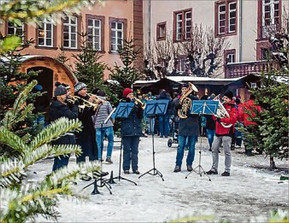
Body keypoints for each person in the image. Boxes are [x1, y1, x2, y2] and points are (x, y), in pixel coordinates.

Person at [206, 90, 237, 176]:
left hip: (227, 132)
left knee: (227, 151)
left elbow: (233, 119)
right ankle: (214, 168)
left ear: (230, 99)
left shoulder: (233, 107)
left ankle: (227, 169)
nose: (224, 99)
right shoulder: (221, 105)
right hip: (218, 131)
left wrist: (222, 119)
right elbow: (214, 116)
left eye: (226, 98)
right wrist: (215, 115)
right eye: (224, 97)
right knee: (214, 149)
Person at [48, 85, 78, 171]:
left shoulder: (54, 105)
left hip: (58, 137)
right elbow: (73, 116)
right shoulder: (60, 107)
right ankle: (59, 180)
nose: (66, 96)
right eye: (65, 94)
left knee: (58, 160)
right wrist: (75, 105)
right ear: (60, 96)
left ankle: (54, 179)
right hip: (64, 138)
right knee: (63, 161)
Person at [174, 83, 199, 172]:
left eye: (186, 89)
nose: (184, 90)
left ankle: (189, 164)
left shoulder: (195, 99)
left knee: (192, 147)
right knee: (181, 146)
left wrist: (189, 106)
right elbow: (176, 108)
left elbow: (197, 112)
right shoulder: (178, 99)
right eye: (183, 89)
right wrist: (181, 100)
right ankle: (178, 165)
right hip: (183, 125)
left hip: (193, 125)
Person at [74, 82, 100, 163]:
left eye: (86, 89)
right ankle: (82, 172)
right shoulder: (75, 100)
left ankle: (95, 170)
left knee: (92, 150)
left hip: (89, 127)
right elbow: (80, 114)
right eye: (84, 89)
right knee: (82, 152)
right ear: (78, 91)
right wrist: (89, 101)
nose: (86, 91)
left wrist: (95, 105)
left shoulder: (85, 98)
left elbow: (91, 113)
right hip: (81, 129)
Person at [121, 88, 143, 174]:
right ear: (126, 96)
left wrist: (140, 108)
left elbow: (140, 117)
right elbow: (122, 116)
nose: (132, 96)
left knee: (135, 150)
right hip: (127, 130)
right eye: (129, 95)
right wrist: (131, 105)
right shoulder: (123, 104)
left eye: (132, 94)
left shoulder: (136, 104)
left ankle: (135, 167)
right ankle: (126, 167)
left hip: (136, 129)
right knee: (126, 150)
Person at [92, 90, 114, 163]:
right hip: (108, 124)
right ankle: (108, 157)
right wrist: (113, 120)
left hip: (98, 125)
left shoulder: (94, 103)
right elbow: (111, 113)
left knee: (99, 142)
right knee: (110, 141)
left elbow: (93, 116)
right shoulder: (107, 103)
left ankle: (99, 157)